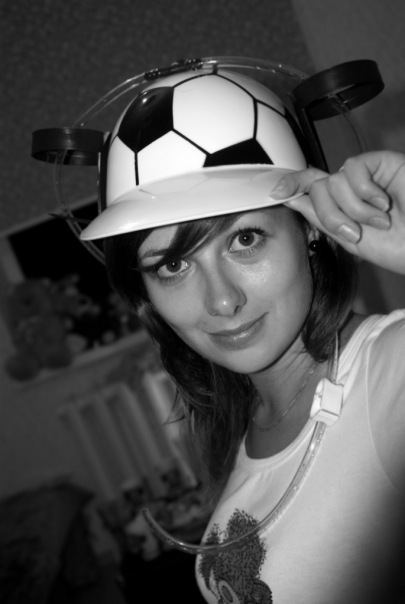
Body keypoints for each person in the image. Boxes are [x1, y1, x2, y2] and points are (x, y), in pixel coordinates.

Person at [67, 64, 405, 602]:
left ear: (309, 227)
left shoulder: (388, 370)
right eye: (172, 266)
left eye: (245, 239)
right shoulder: (234, 421)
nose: (222, 301)